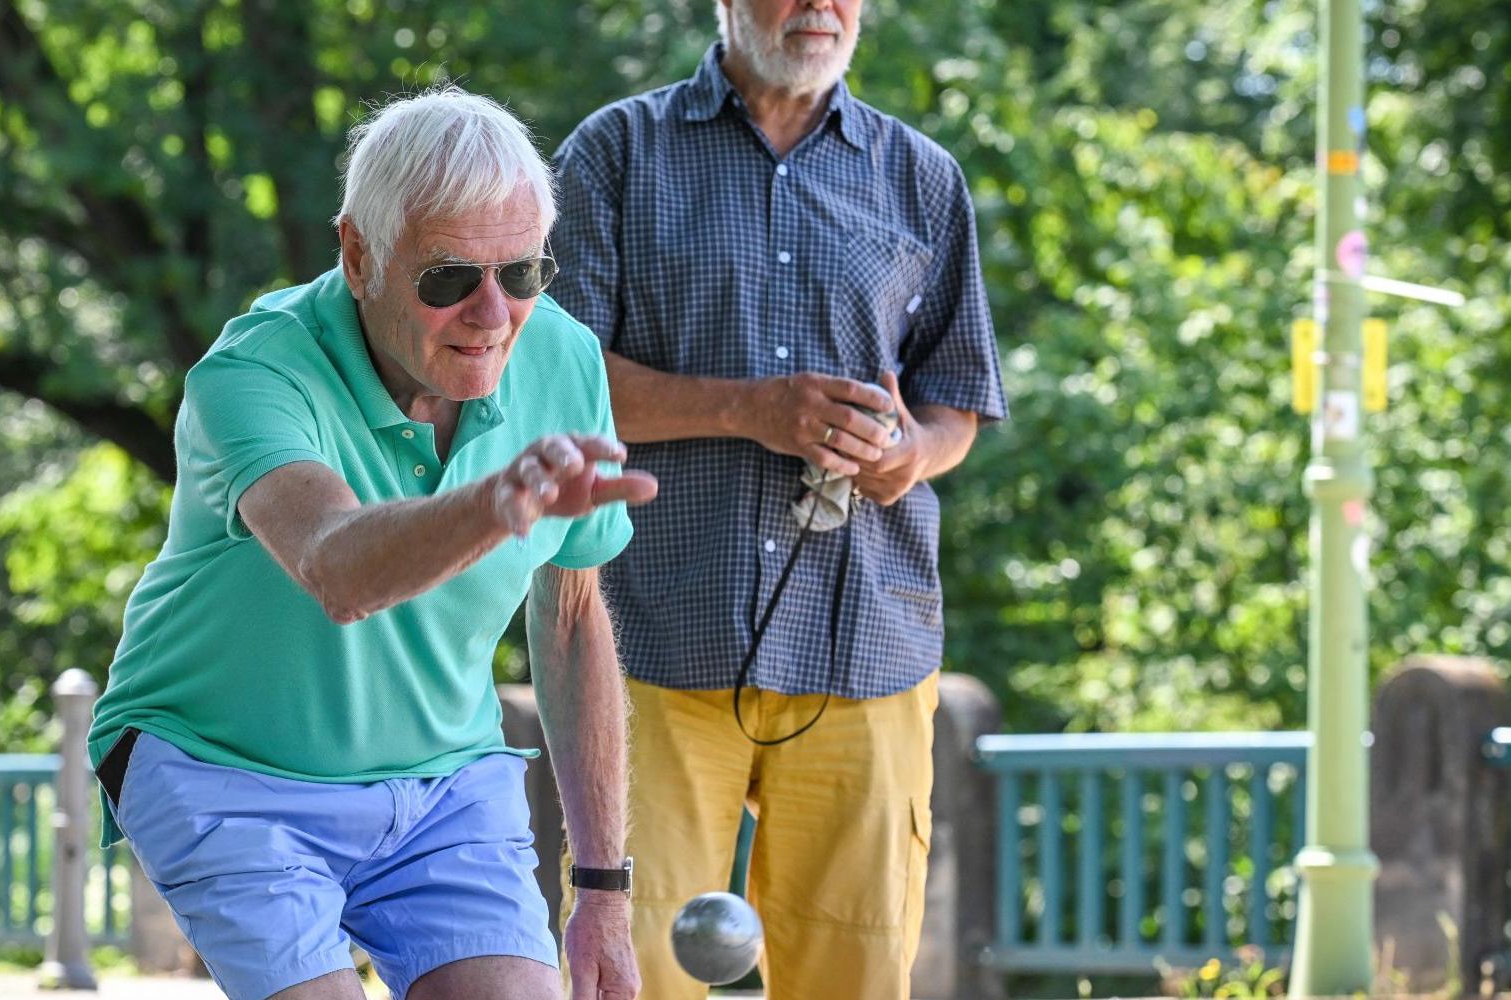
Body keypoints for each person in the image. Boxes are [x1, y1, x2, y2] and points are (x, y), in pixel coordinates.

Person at [88, 87, 653, 1000]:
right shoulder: (255, 370)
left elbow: (572, 617)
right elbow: (337, 566)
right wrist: (495, 503)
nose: (493, 313)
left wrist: (600, 891)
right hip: (224, 768)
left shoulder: (562, 357)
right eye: (448, 279)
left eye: (521, 274)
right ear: (358, 254)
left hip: (442, 785)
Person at [549, 0, 1008, 996]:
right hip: (653, 635)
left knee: (852, 979)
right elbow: (552, 382)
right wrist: (744, 409)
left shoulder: (921, 177)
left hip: (867, 643)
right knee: (631, 977)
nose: (817, 6)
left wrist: (906, 455)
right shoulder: (613, 153)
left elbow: (955, 403)